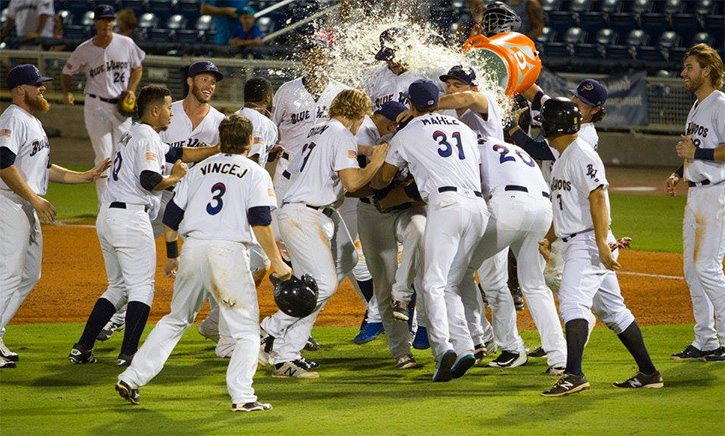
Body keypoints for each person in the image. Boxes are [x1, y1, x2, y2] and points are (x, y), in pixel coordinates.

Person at [116, 113, 292, 412]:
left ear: (221, 140)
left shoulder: (198, 170)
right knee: (246, 331)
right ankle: (243, 396)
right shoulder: (255, 172)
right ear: (249, 142)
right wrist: (277, 261)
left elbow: (172, 218)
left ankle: (131, 378)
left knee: (176, 319)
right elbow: (260, 221)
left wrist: (173, 255)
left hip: (193, 249)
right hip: (228, 253)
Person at [68, 85, 221, 367]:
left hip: (108, 217)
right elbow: (149, 180)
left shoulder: (134, 133)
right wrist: (175, 178)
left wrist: (217, 148)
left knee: (118, 287)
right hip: (130, 218)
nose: (172, 113)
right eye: (168, 108)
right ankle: (128, 354)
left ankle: (83, 347)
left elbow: (178, 153)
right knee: (142, 289)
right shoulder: (148, 137)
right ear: (155, 111)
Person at [438, 65, 566, 372]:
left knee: (456, 275)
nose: (451, 90)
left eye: (457, 84)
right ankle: (559, 357)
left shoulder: (481, 119)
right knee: (533, 285)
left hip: (504, 207)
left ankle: (494, 344)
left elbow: (470, 99)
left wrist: (426, 105)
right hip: (539, 206)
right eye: (447, 85)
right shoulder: (500, 144)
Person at [537, 97, 662, 396]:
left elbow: (598, 197)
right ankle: (648, 373)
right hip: (583, 239)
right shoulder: (564, 157)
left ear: (553, 125)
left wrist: (601, 243)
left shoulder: (581, 153)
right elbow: (567, 208)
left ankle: (574, 374)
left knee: (572, 303)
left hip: (588, 241)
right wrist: (549, 238)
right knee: (614, 311)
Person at [260, 89, 389, 378]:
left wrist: (366, 151)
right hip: (307, 215)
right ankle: (270, 330)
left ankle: (287, 355)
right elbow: (352, 183)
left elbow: (308, 162)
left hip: (308, 210)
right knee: (324, 284)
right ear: (356, 115)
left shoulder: (318, 129)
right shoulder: (342, 134)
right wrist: (376, 162)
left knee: (345, 259)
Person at [98, 60, 227, 344]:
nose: (209, 85)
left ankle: (221, 325)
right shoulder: (168, 111)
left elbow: (208, 155)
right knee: (131, 265)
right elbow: (162, 153)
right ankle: (115, 318)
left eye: (213, 81)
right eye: (204, 79)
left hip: (195, 204)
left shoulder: (218, 121)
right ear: (190, 81)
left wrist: (218, 148)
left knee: (212, 256)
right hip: (158, 197)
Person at [373, 79, 489, 382]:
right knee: (450, 283)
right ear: (436, 102)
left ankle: (442, 349)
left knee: (432, 284)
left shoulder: (408, 131)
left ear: (410, 104)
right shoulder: (463, 129)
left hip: (446, 205)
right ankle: (465, 347)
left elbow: (384, 178)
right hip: (478, 207)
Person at [0, 64, 110, 369]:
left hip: (23, 203)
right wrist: (34, 198)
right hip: (9, 202)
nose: (43, 88)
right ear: (20, 90)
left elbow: (45, 168)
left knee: (29, 275)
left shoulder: (32, 121)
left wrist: (85, 175)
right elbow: (4, 164)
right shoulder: (12, 118)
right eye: (37, 84)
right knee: (8, 274)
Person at [354, 100, 424, 366]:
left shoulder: (419, 146)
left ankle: (405, 295)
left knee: (421, 232)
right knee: (383, 285)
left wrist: (402, 191)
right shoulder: (374, 145)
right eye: (398, 125)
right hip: (372, 212)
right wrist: (384, 186)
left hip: (405, 210)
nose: (398, 129)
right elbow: (354, 188)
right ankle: (401, 351)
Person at [667, 43, 725, 362]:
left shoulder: (719, 104)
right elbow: (698, 147)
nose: (683, 72)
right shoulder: (697, 105)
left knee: (707, 267)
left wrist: (696, 154)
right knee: (692, 271)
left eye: (689, 67)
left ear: (707, 70)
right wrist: (680, 172)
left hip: (717, 194)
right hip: (696, 194)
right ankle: (706, 340)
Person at [61, 5, 145, 204]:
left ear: (113, 22)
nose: (106, 23)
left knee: (123, 154)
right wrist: (67, 92)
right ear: (95, 22)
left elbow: (137, 68)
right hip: (96, 105)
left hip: (121, 107)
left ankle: (122, 200)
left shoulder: (126, 43)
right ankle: (104, 205)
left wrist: (131, 89)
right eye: (102, 19)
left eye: (109, 19)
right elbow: (66, 72)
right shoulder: (84, 49)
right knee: (103, 156)